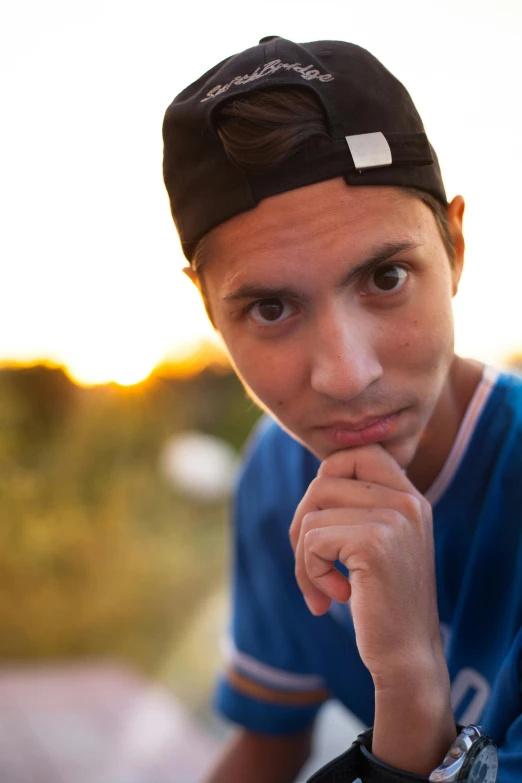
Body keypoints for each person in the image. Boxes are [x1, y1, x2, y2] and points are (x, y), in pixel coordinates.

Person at [162, 37, 522, 782]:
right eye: (270, 307)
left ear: (454, 246)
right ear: (208, 308)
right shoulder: (278, 468)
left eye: (386, 276)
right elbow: (268, 744)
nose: (346, 375)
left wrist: (412, 685)